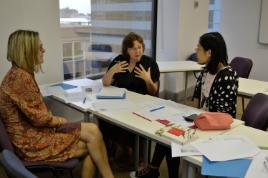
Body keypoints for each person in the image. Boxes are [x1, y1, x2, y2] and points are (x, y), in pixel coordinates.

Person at [0, 30, 114, 178]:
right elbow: (40, 119)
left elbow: (36, 114)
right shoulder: (20, 78)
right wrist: (59, 120)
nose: (43, 50)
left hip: (35, 134)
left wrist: (54, 119)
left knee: (93, 132)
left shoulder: (19, 73)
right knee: (92, 143)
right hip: (32, 144)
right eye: (39, 48)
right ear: (27, 50)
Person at [131, 32, 239, 178]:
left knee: (172, 137)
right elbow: (195, 102)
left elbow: (222, 115)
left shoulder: (227, 76)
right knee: (168, 132)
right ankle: (156, 170)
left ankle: (154, 170)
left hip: (217, 128)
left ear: (209, 52)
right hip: (202, 120)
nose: (196, 51)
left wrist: (193, 119)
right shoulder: (206, 71)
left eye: (199, 48)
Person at [101, 32, 160, 168]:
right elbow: (105, 82)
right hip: (120, 104)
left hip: (142, 107)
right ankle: (112, 151)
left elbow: (154, 91)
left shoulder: (149, 63)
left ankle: (132, 153)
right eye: (133, 48)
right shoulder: (119, 60)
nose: (137, 51)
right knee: (104, 121)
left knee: (130, 123)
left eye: (139, 47)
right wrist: (112, 71)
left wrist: (147, 80)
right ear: (127, 50)